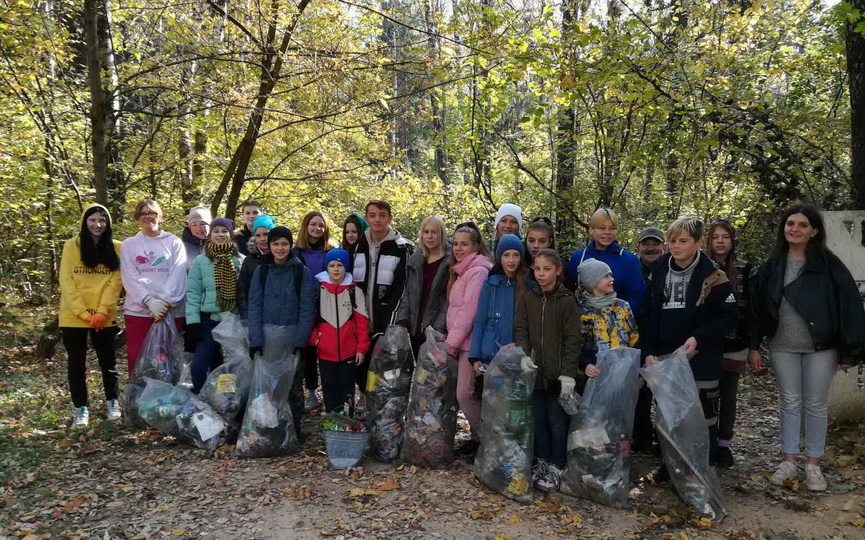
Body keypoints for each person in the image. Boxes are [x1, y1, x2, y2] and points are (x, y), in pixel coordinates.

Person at [748, 203, 865, 491]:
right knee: (789, 402)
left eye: (802, 225)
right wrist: (753, 345)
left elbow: (848, 307)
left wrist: (849, 351)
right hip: (782, 345)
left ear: (814, 231)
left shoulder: (830, 266)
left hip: (821, 348)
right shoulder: (772, 265)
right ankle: (788, 459)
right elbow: (757, 308)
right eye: (790, 224)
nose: (795, 229)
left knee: (815, 404)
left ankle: (813, 464)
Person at [642, 217, 737, 467]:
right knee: (669, 414)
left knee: (703, 414)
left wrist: (699, 338)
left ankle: (702, 467)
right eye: (672, 241)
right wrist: (648, 351)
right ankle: (671, 466)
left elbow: (726, 318)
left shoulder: (713, 274)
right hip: (665, 355)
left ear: (697, 242)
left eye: (683, 241)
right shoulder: (658, 270)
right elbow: (648, 314)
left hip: (702, 357)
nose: (676, 246)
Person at [514, 248, 582, 492]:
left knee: (556, 421)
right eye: (537, 269)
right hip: (535, 372)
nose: (541, 274)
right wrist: (523, 355)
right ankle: (541, 462)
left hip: (556, 374)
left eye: (547, 269)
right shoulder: (529, 297)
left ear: (558, 271)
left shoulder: (567, 301)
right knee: (538, 420)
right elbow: (520, 328)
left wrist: (568, 375)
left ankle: (557, 465)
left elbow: (574, 340)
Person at [247, 226, 317, 440]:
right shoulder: (262, 271)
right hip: (268, 337)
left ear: (290, 245)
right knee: (269, 385)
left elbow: (307, 307)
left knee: (294, 386)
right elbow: (255, 305)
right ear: (269, 246)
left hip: (293, 336)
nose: (280, 248)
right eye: (276, 244)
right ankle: (271, 427)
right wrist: (256, 340)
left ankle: (294, 428)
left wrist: (300, 340)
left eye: (284, 244)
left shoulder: (299, 271)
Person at [59, 204, 123, 428]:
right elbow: (66, 281)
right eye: (93, 220)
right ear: (84, 222)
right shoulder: (71, 246)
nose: (98, 225)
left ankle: (113, 402)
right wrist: (84, 313)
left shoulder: (117, 248)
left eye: (102, 220)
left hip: (104, 316)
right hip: (74, 316)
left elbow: (116, 283)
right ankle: (80, 408)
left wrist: (102, 311)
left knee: (109, 362)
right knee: (76, 365)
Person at [706, 220, 755, 469]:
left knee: (728, 394)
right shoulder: (701, 266)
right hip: (706, 343)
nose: (720, 241)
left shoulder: (746, 269)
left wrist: (753, 345)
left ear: (733, 240)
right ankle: (706, 442)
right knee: (705, 394)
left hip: (735, 343)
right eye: (715, 237)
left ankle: (724, 444)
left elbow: (753, 309)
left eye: (725, 236)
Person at [120, 199, 187, 375]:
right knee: (138, 358)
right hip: (139, 311)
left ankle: (167, 398)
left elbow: (178, 273)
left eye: (152, 213)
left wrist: (165, 303)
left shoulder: (174, 242)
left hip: (170, 311)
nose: (148, 216)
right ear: (137, 218)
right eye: (143, 213)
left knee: (168, 359)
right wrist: (148, 300)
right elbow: (129, 275)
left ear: (160, 216)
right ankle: (138, 398)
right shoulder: (129, 244)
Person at [351, 200, 412, 392]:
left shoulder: (402, 248)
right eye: (372, 215)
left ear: (390, 218)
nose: (377, 220)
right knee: (360, 369)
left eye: (382, 215)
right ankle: (365, 407)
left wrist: (389, 323)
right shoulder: (357, 246)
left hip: (386, 322)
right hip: (360, 321)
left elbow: (402, 287)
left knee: (384, 373)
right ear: (367, 217)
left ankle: (382, 414)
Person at [445, 222, 492, 456]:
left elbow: (469, 310)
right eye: (455, 244)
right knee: (466, 393)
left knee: (464, 393)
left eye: (464, 244)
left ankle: (487, 440)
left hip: (470, 342)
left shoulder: (478, 271)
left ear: (475, 246)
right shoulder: (462, 269)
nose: (458, 248)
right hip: (462, 340)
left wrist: (452, 341)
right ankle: (477, 438)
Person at [185, 218, 243, 393]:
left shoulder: (239, 260)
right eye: (216, 231)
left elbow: (244, 292)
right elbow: (193, 291)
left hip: (232, 320)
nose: (220, 235)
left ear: (230, 234)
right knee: (198, 367)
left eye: (224, 231)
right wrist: (192, 321)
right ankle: (200, 400)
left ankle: (226, 403)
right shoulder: (201, 261)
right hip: (208, 321)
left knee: (226, 369)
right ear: (210, 234)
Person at [309, 248, 370, 413]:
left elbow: (362, 322)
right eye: (332, 265)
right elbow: (310, 320)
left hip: (349, 351)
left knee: (348, 388)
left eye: (340, 265)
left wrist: (361, 348)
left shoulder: (354, 291)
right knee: (329, 387)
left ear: (346, 268)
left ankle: (348, 421)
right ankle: (332, 422)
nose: (336, 269)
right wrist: (315, 340)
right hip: (325, 352)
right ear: (326, 268)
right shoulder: (318, 291)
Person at [469, 234, 535, 371]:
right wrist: (475, 357)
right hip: (490, 354)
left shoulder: (530, 286)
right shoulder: (490, 284)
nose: (511, 260)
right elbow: (480, 321)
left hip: (518, 356)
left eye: (516, 255)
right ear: (500, 257)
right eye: (506, 255)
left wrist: (520, 345)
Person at [567, 208, 645, 316]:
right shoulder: (579, 257)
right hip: (584, 322)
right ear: (591, 230)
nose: (607, 232)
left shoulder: (628, 259)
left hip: (618, 324)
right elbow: (570, 291)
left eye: (612, 228)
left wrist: (620, 318)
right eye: (602, 228)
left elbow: (637, 295)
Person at [396, 215, 451, 357]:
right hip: (415, 329)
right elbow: (408, 292)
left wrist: (437, 329)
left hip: (437, 330)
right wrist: (402, 321)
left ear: (441, 234)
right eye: (426, 232)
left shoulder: (449, 262)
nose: (430, 236)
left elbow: (448, 299)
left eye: (434, 232)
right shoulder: (416, 260)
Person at [295, 211, 333, 410]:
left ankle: (329, 392)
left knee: (327, 350)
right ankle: (310, 391)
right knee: (308, 351)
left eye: (321, 225)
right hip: (304, 308)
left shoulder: (331, 251)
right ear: (306, 226)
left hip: (328, 306)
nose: (317, 228)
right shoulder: (296, 252)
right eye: (313, 224)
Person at [633, 225, 665, 453]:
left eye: (655, 243)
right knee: (641, 390)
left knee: (664, 394)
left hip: (667, 337)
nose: (651, 248)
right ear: (639, 247)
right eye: (646, 243)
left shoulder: (670, 267)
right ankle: (642, 438)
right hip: (638, 336)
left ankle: (665, 441)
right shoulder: (633, 268)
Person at [577, 259, 638, 378]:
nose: (612, 279)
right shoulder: (582, 312)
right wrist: (585, 365)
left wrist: (635, 366)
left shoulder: (622, 306)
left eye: (610, 275)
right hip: (596, 374)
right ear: (592, 281)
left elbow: (634, 337)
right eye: (606, 276)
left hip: (624, 371)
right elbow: (578, 345)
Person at [237, 214, 276, 321]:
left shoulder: (284, 258)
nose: (262, 239)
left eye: (266, 234)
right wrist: (245, 318)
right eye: (258, 235)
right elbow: (242, 291)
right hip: (255, 317)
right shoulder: (249, 260)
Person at [182, 206, 211, 271]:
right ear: (189, 227)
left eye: (202, 224)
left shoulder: (220, 246)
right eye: (194, 225)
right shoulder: (181, 248)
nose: (199, 229)